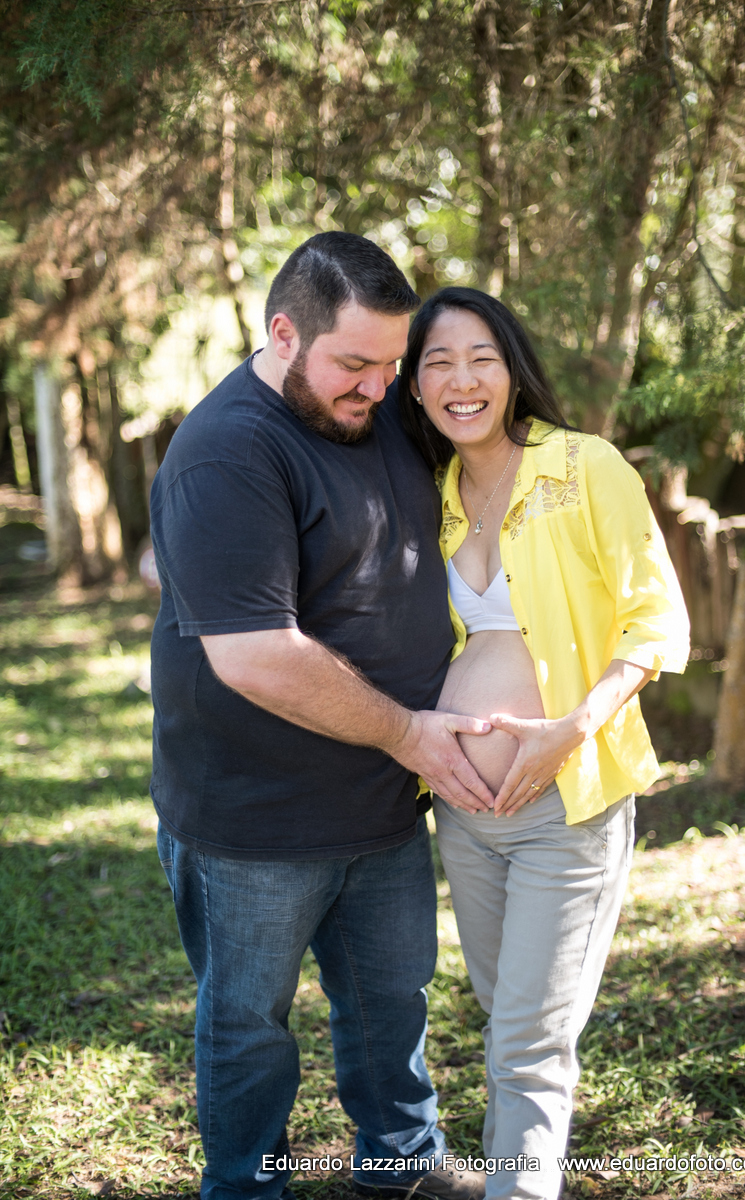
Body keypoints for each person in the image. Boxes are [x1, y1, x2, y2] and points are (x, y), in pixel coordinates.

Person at [149, 235, 494, 1200]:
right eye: (354, 363)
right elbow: (257, 653)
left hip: (379, 799)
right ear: (283, 333)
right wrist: (409, 732)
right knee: (250, 1024)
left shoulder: (374, 408)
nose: (377, 388)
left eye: (392, 364)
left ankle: (402, 1169)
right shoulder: (226, 449)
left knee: (391, 1002)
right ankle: (245, 1187)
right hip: (252, 815)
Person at [397, 287, 690, 1200]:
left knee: (527, 1038)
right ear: (412, 387)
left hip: (567, 801)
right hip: (466, 811)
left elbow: (653, 617)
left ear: (512, 366)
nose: (460, 379)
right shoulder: (429, 491)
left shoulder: (584, 465)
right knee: (503, 1019)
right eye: (436, 362)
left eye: (479, 356)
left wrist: (570, 727)